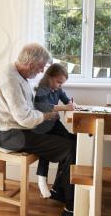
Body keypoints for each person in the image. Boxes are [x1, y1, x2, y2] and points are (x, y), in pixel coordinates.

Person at [0, 43, 76, 216]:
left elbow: (28, 112)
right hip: (11, 135)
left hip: (21, 130)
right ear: (30, 65)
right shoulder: (11, 80)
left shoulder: (20, 76)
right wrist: (46, 116)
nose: (41, 71)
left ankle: (60, 191)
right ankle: (70, 205)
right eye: (40, 68)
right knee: (71, 148)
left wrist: (46, 115)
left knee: (74, 140)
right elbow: (26, 118)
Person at [33, 63, 76, 200]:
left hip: (54, 124)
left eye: (62, 83)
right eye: (58, 82)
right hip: (42, 126)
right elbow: (44, 106)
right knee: (48, 146)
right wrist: (65, 108)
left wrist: (71, 103)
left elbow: (65, 98)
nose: (59, 85)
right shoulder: (42, 89)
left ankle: (59, 186)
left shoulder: (58, 89)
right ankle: (41, 178)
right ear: (49, 77)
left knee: (73, 141)